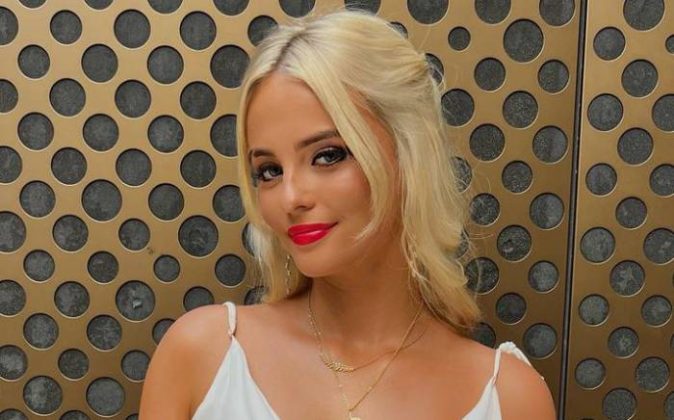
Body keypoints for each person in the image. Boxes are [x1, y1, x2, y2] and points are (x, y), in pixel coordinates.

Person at [139, 8, 556, 420]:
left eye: (327, 155)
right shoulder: (203, 357)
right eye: (269, 170)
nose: (290, 197)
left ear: (408, 151)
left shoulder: (509, 399)